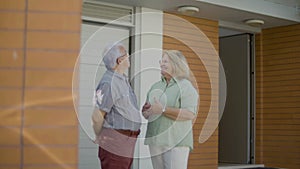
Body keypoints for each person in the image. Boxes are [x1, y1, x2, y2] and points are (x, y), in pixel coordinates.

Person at [142, 50, 199, 169]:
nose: (161, 64)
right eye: (161, 61)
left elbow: (189, 114)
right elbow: (147, 113)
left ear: (176, 64)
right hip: (155, 141)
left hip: (176, 143)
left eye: (165, 61)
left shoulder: (185, 86)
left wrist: (163, 109)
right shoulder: (156, 86)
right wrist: (146, 111)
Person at [93, 42, 141, 169]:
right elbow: (97, 116)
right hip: (115, 141)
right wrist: (99, 136)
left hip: (127, 140)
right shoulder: (108, 83)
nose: (129, 56)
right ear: (120, 60)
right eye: (126, 54)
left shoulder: (122, 79)